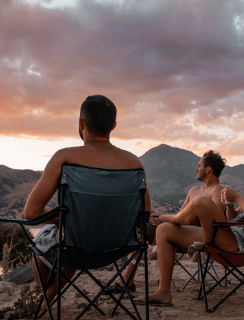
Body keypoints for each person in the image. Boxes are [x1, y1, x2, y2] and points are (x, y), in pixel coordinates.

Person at [22, 95, 151, 301]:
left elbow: (31, 213)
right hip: (117, 248)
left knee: (45, 237)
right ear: (114, 125)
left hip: (76, 248)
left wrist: (68, 219)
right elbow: (144, 214)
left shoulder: (64, 157)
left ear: (82, 123)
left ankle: (46, 296)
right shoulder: (135, 164)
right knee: (72, 236)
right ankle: (48, 295)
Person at [135, 144, 244, 307]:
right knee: (164, 230)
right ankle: (163, 292)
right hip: (232, 236)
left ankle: (166, 217)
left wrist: (238, 197)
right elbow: (234, 218)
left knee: (202, 201)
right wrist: (230, 204)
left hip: (240, 244)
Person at [116, 150, 228, 293]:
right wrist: (159, 219)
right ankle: (127, 280)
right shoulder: (193, 190)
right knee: (142, 229)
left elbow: (215, 219)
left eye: (199, 165)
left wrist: (164, 219)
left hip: (200, 236)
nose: (196, 169)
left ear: (208, 169)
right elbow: (180, 215)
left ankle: (141, 284)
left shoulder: (218, 190)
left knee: (161, 227)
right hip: (179, 229)